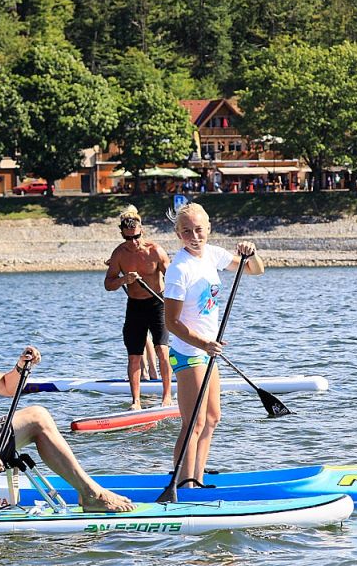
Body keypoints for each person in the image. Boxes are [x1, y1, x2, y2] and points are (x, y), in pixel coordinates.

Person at [0, 300, 134, 513]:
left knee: (39, 417)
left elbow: (7, 387)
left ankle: (89, 492)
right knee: (37, 416)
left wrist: (21, 366)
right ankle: (91, 494)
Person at [164, 203, 264, 488]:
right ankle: (183, 484)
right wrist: (204, 342)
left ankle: (198, 477)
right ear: (178, 234)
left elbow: (255, 270)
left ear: (208, 228)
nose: (194, 236)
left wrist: (251, 253)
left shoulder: (212, 255)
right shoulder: (178, 269)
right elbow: (172, 323)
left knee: (211, 419)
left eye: (199, 230)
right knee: (193, 422)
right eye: (186, 232)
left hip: (208, 352)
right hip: (189, 352)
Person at [103, 206, 173, 409]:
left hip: (157, 304)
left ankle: (167, 397)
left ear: (142, 231)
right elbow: (108, 284)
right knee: (134, 356)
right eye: (128, 238)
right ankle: (136, 401)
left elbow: (173, 278)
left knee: (162, 351)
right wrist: (124, 279)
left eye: (136, 237)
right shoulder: (119, 254)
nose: (133, 242)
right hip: (135, 307)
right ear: (122, 235)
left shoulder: (155, 251)